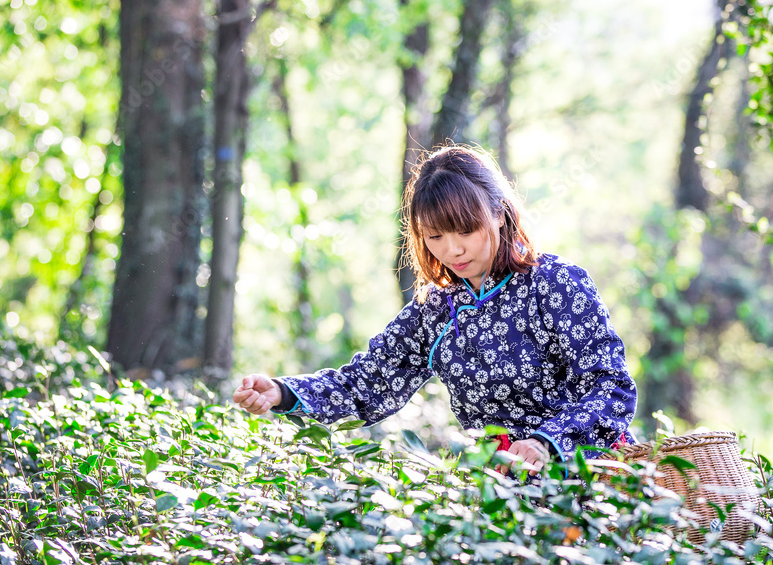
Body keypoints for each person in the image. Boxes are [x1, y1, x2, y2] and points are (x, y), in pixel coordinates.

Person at [233, 145, 637, 476]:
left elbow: (612, 388)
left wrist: (547, 442)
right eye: (435, 236)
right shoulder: (435, 309)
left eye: (466, 230)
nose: (452, 250)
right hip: (500, 490)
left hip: (592, 477)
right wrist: (285, 393)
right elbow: (368, 384)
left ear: (498, 213)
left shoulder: (555, 283)